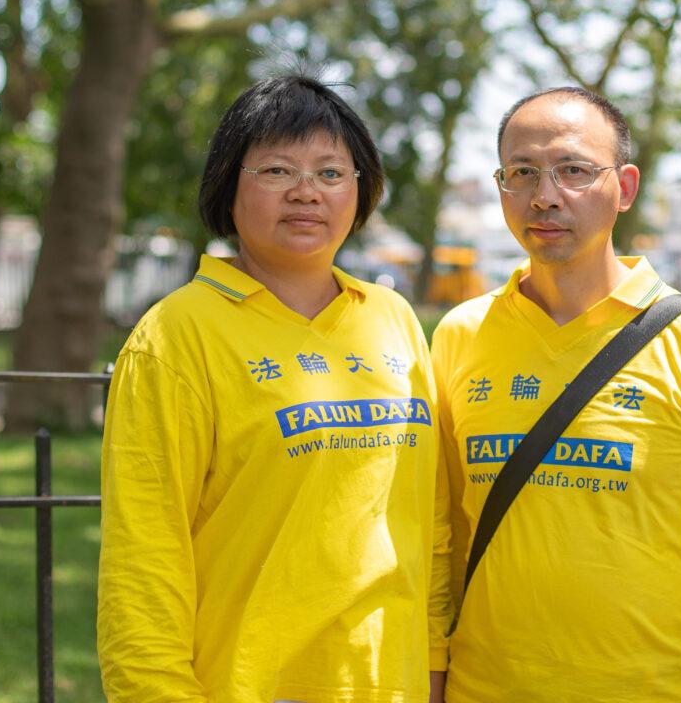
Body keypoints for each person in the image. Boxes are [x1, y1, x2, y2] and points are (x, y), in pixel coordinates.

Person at [98, 74, 451, 703]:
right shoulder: (176, 336)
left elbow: (431, 520)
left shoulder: (392, 319)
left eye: (331, 174)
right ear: (227, 188)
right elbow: (142, 562)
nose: (306, 192)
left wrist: (433, 666)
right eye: (276, 171)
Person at [431, 87, 681, 701]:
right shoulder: (461, 335)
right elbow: (443, 538)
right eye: (522, 173)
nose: (545, 195)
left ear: (625, 187)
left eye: (573, 170)